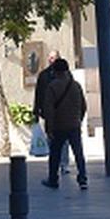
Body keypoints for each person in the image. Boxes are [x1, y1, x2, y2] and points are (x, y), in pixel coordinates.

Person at [37, 57, 87, 190]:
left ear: (54, 71)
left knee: (55, 154)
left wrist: (49, 128)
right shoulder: (76, 86)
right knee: (78, 153)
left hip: (59, 126)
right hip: (74, 125)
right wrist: (78, 120)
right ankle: (83, 178)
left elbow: (49, 110)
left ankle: (53, 179)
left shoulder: (52, 87)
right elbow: (83, 106)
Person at [33, 50, 68, 174]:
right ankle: (55, 165)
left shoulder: (67, 76)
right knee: (51, 139)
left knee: (64, 141)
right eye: (50, 58)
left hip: (63, 113)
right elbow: (38, 94)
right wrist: (36, 111)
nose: (51, 60)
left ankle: (64, 164)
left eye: (54, 58)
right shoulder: (44, 75)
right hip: (48, 113)